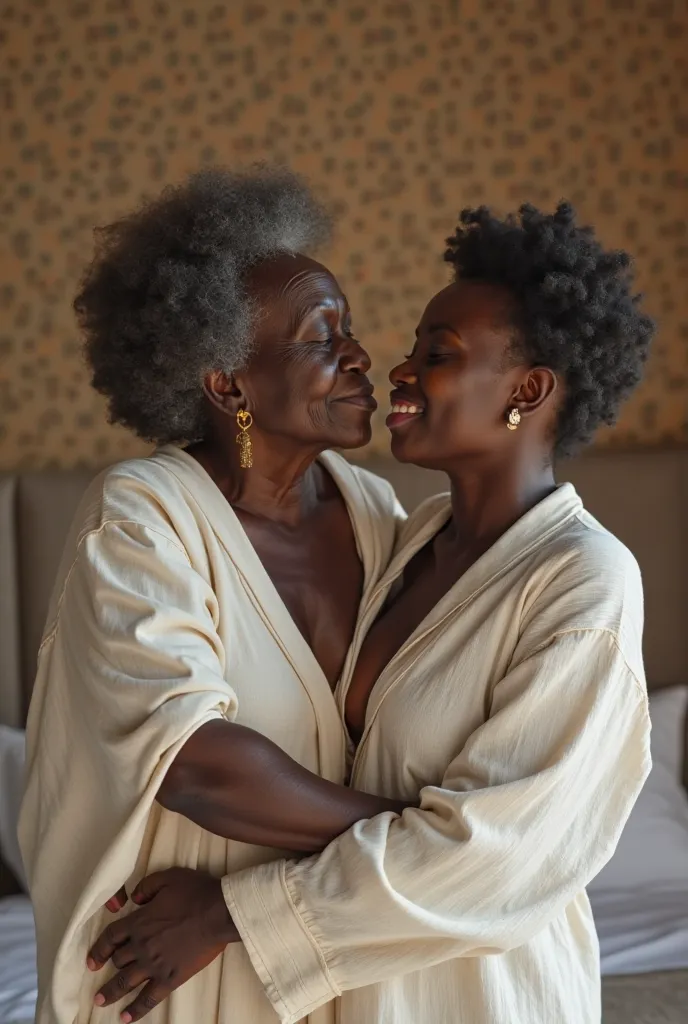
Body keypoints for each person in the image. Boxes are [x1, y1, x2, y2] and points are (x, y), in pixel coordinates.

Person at [85, 201, 655, 1024]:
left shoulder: (583, 581)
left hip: (481, 991)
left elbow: (503, 859)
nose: (394, 366)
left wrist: (227, 912)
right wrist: (425, 831)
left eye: (440, 355)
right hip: (358, 993)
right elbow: (200, 756)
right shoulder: (408, 540)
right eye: (414, 347)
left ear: (528, 390)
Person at [18, 166, 412, 1024]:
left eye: (350, 329)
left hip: (330, 964)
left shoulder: (378, 515)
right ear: (226, 383)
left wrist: (256, 910)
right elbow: (201, 768)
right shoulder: (141, 519)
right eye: (321, 335)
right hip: (166, 976)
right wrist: (421, 844)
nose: (360, 356)